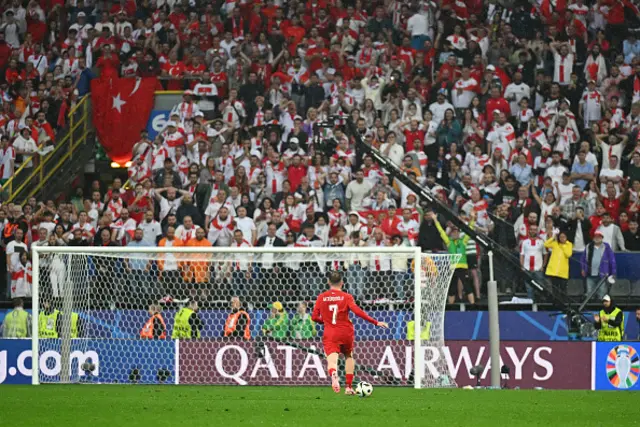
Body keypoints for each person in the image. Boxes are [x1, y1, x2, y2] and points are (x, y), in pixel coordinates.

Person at [311, 271, 389, 395]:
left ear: (328, 282)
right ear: (342, 282)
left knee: (332, 360)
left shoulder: (322, 297)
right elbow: (357, 311)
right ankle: (348, 387)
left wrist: (325, 321)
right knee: (348, 356)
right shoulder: (346, 297)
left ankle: (334, 373)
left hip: (330, 332)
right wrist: (375, 322)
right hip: (346, 331)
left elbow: (314, 317)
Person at [432, 211, 476, 304]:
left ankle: (473, 305)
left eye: (457, 232)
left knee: (468, 287)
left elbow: (470, 230)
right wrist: (435, 220)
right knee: (452, 289)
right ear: (451, 234)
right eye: (453, 232)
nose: (455, 233)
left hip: (463, 267)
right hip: (453, 268)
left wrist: (472, 220)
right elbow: (441, 231)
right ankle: (450, 307)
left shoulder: (463, 241)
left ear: (459, 233)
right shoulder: (449, 242)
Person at [580, 230, 617, 301]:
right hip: (590, 274)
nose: (597, 238)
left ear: (602, 238)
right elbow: (583, 259)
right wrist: (583, 268)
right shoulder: (588, 247)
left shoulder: (606, 247)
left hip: (602, 275)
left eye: (599, 236)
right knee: (589, 294)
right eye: (595, 236)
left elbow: (612, 260)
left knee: (602, 294)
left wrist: (613, 272)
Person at [544, 230, 573, 304]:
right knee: (555, 289)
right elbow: (546, 244)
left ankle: (564, 303)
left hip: (562, 272)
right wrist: (553, 237)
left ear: (566, 237)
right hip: (554, 271)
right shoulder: (555, 244)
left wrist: (562, 246)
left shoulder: (569, 244)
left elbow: (568, 254)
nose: (562, 238)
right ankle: (556, 303)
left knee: (563, 289)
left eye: (564, 237)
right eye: (560, 237)